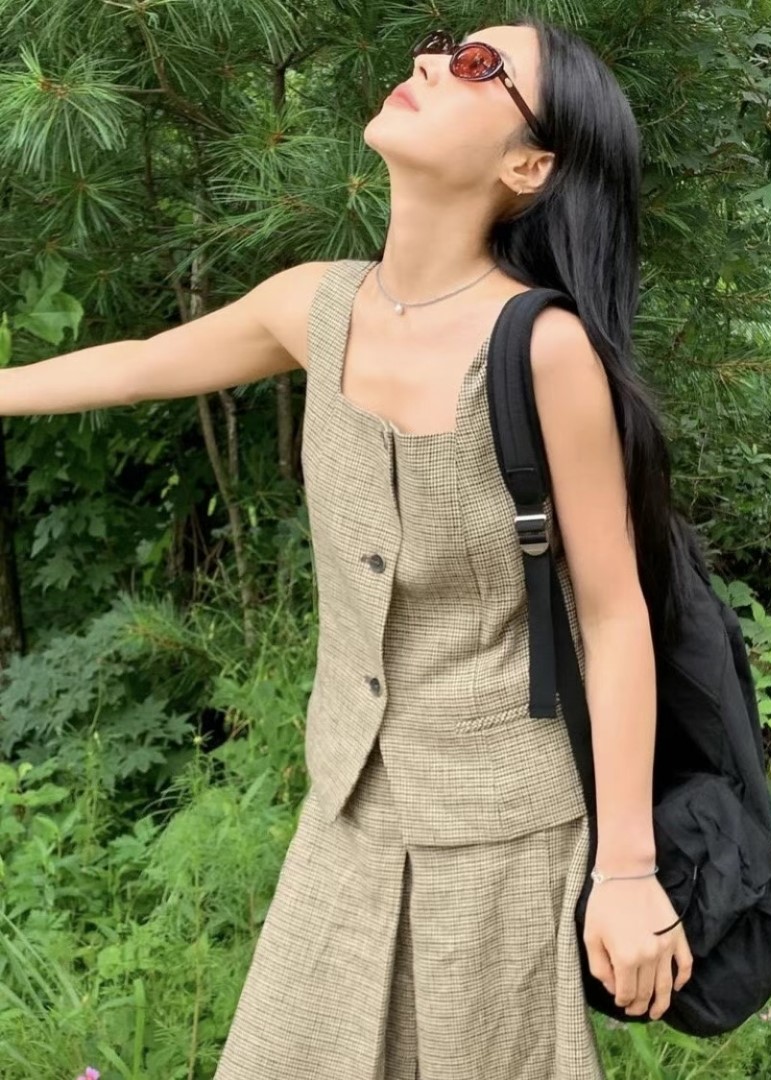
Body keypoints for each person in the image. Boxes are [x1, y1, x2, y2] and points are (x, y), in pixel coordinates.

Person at [1, 17, 694, 1079]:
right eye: (442, 44)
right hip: (347, 810)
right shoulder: (313, 306)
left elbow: (613, 615)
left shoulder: (544, 352)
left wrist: (629, 873)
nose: (429, 62)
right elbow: (136, 365)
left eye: (478, 67)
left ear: (529, 166)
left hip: (502, 835)